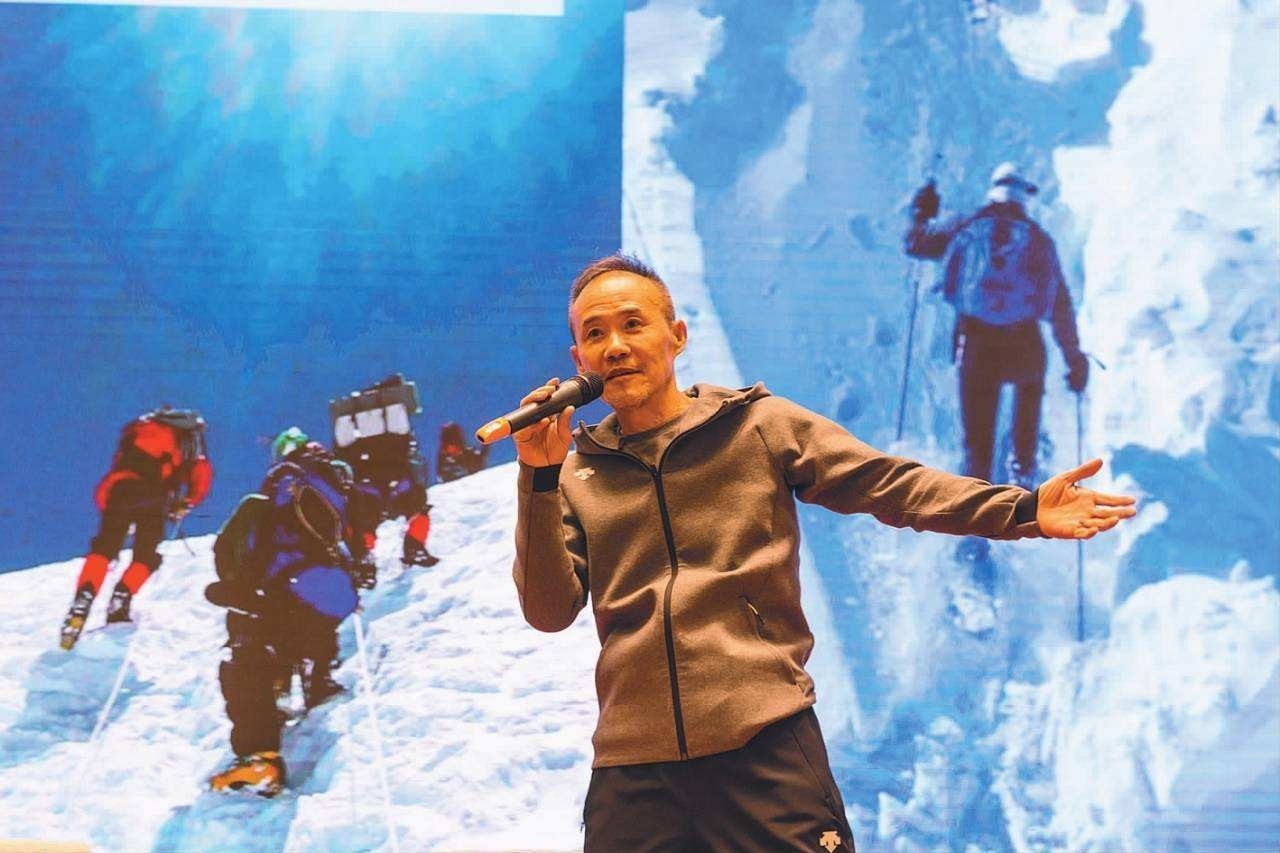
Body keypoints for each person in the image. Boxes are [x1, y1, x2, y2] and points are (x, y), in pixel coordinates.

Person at [510, 253, 1135, 851]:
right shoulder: (577, 473)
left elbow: (892, 484)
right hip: (633, 772)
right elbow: (548, 609)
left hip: (763, 745)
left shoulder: (756, 425)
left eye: (633, 324)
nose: (616, 346)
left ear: (676, 336)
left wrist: (1021, 510)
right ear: (579, 360)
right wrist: (539, 475)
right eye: (595, 334)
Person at [206, 428, 377, 797]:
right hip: (329, 592)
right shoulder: (332, 488)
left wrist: (234, 583)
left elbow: (227, 547)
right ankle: (318, 681)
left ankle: (259, 758)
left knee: (247, 649)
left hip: (281, 590)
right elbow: (359, 531)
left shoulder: (265, 502)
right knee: (301, 625)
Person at [905, 163, 1088, 492]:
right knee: (1027, 409)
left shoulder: (965, 226)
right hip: (1025, 345)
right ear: (1023, 196)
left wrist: (922, 211)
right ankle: (1022, 478)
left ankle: (976, 508)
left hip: (976, 344)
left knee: (977, 447)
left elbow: (915, 244)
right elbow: (1059, 304)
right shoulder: (1037, 238)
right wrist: (1075, 359)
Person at [60, 406, 212, 650]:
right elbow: (200, 471)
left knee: (104, 548)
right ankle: (122, 596)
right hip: (154, 495)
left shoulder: (141, 431)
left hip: (119, 492)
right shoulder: (186, 437)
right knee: (146, 555)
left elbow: (115, 474)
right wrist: (187, 502)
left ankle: (83, 598)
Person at [332, 374, 439, 571]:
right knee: (418, 509)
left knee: (364, 523)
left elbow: (342, 456)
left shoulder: (360, 437)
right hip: (397, 480)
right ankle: (414, 548)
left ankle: (362, 559)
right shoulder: (393, 432)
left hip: (367, 486)